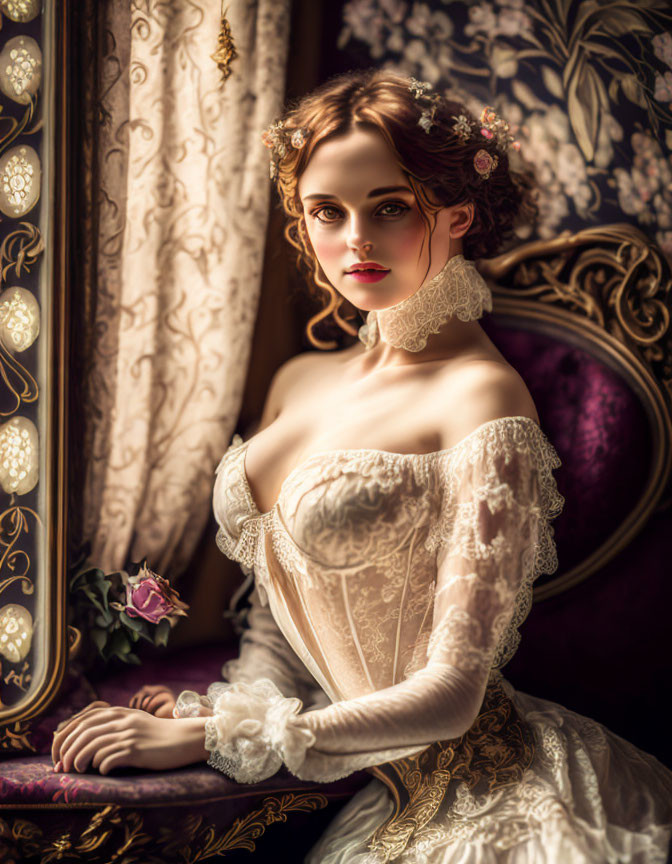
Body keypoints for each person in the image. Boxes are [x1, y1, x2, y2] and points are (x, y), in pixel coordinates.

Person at [53, 70, 672, 862]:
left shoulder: (482, 399)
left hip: (492, 796)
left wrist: (225, 736)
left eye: (389, 208)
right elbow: (278, 627)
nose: (356, 241)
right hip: (373, 790)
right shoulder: (299, 378)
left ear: (456, 214)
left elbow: (452, 698)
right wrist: (224, 711)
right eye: (327, 212)